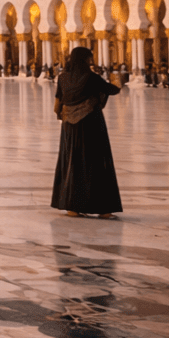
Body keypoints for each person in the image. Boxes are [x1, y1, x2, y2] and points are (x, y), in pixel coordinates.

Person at [52, 45, 123, 219]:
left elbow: (57, 104)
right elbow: (112, 90)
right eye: (89, 59)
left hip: (69, 127)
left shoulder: (62, 78)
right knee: (95, 163)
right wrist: (117, 80)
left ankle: (72, 207)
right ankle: (103, 209)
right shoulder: (91, 78)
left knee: (72, 163)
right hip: (91, 125)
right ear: (84, 60)